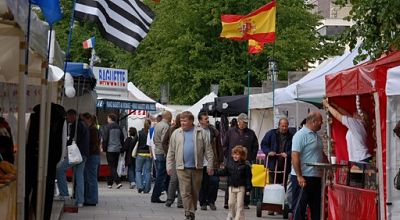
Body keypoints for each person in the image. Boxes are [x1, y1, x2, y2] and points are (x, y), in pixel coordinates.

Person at [167, 111, 214, 220]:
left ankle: (191, 211)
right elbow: (171, 151)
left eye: (185, 121)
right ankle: (189, 213)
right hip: (181, 168)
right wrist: (169, 165)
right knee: (185, 192)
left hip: (197, 168)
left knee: (194, 192)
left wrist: (210, 165)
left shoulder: (201, 132)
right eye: (181, 121)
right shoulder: (176, 133)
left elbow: (208, 151)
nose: (182, 123)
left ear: (192, 121)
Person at [291, 112, 326, 220]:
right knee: (300, 208)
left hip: (315, 177)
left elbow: (321, 153)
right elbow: (295, 155)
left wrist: (328, 166)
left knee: (316, 208)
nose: (322, 123)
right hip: (304, 176)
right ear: (313, 122)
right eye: (320, 121)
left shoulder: (316, 136)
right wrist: (299, 176)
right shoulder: (300, 135)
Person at [223, 113, 258, 209]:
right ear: (238, 121)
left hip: (245, 161)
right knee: (230, 180)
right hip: (232, 160)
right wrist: (228, 157)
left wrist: (251, 158)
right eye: (243, 122)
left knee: (246, 180)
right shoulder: (230, 132)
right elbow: (225, 145)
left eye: (246, 123)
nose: (244, 124)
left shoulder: (251, 133)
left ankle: (245, 202)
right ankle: (228, 202)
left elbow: (255, 146)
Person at [56, 109, 89, 207]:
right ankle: (80, 200)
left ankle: (64, 194)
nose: (67, 119)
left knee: (60, 169)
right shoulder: (84, 125)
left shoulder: (76, 125)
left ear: (73, 116)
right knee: (79, 177)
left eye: (68, 117)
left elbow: (73, 140)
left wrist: (65, 145)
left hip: (76, 153)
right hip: (84, 154)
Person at [215, 145, 252, 220]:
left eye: (237, 154)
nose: (235, 156)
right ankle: (231, 214)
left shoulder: (246, 166)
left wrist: (248, 189)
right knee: (231, 203)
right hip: (231, 186)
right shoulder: (229, 164)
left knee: (239, 204)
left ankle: (238, 218)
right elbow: (224, 172)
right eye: (234, 154)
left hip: (241, 187)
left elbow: (248, 178)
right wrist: (215, 172)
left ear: (242, 156)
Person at [198, 112, 223, 211]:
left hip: (213, 161)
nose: (207, 120)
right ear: (200, 120)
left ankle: (211, 201)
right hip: (200, 161)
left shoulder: (214, 131)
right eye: (205, 118)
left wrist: (220, 159)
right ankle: (203, 202)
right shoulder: (197, 131)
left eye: (207, 118)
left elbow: (219, 147)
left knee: (215, 182)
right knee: (203, 183)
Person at [261, 117, 295, 185]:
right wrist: (269, 152)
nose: (284, 128)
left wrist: (287, 154)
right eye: (282, 126)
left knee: (283, 184)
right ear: (279, 126)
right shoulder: (271, 133)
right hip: (272, 163)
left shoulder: (291, 136)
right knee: (272, 183)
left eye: (286, 126)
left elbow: (294, 149)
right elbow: (264, 144)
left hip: (285, 163)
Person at [163, 114, 183, 208]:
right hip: (175, 157)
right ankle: (170, 199)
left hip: (184, 158)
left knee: (182, 181)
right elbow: (164, 142)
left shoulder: (187, 130)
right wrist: (169, 152)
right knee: (174, 179)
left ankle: (180, 201)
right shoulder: (172, 129)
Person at [151, 110, 172, 203]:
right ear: (167, 116)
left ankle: (170, 194)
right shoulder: (166, 126)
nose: (171, 118)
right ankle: (155, 196)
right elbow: (165, 141)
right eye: (170, 116)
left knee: (165, 175)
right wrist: (167, 153)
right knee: (161, 176)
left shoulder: (157, 125)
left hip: (158, 151)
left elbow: (155, 139)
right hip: (163, 153)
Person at [81, 113, 101, 206]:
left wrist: (87, 154)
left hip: (92, 156)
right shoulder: (93, 129)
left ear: (88, 119)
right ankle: (90, 198)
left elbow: (93, 144)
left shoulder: (92, 129)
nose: (83, 122)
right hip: (93, 156)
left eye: (84, 120)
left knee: (91, 179)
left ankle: (92, 199)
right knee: (90, 178)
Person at [102, 113, 125, 189]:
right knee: (114, 166)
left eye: (108, 118)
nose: (107, 119)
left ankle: (118, 182)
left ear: (110, 119)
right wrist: (122, 149)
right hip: (117, 149)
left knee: (111, 166)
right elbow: (122, 138)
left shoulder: (107, 127)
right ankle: (110, 183)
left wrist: (104, 148)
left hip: (110, 149)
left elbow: (105, 139)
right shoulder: (119, 127)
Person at [136, 119, 153, 193]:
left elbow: (135, 142)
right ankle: (146, 189)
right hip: (149, 154)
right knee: (148, 172)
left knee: (138, 171)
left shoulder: (139, 132)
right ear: (150, 124)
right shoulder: (151, 133)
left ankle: (140, 186)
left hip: (140, 153)